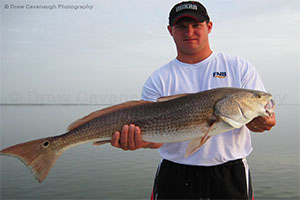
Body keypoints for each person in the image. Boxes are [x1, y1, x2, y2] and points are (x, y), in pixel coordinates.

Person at [111, 1, 276, 199]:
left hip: (230, 174)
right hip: (175, 174)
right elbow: (156, 141)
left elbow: (264, 121)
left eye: (196, 25)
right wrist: (137, 141)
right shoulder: (159, 78)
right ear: (171, 30)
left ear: (209, 26)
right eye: (181, 26)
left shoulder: (239, 67)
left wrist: (264, 123)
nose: (189, 32)